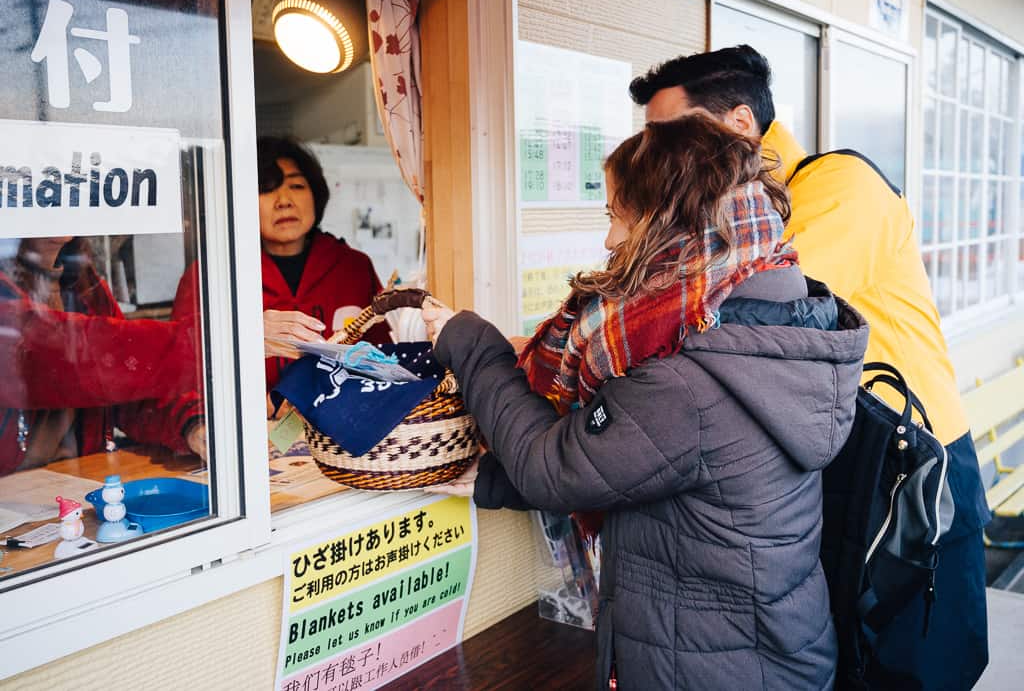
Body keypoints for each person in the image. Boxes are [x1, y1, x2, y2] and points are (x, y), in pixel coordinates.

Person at [424, 115, 869, 689]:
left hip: (712, 669)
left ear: (666, 224)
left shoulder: (689, 379)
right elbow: (643, 465)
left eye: (616, 216)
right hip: (768, 653)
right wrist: (487, 477)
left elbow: (552, 467)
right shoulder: (770, 309)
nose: (610, 241)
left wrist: (468, 340)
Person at [629, 44, 990, 688]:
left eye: (665, 137)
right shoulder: (742, 217)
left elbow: (744, 310)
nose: (649, 157)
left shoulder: (836, 187)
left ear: (739, 125)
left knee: (913, 672)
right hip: (848, 471)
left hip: (912, 474)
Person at [173, 137, 391, 397]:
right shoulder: (211, 277)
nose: (284, 200)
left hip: (344, 429)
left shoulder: (354, 267)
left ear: (315, 194)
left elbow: (385, 361)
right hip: (255, 433)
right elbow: (182, 372)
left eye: (297, 185)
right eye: (265, 189)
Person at [0, 236, 206, 475]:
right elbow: (58, 356)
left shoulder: (83, 282)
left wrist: (192, 423)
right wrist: (207, 341)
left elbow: (129, 391)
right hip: (13, 500)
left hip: (77, 485)